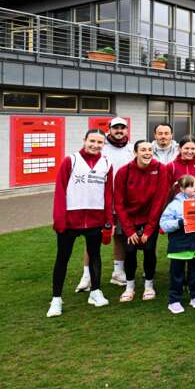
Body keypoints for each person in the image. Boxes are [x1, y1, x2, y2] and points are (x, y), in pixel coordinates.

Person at [47, 129, 114, 317]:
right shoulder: (71, 160)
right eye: (92, 141)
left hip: (95, 219)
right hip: (70, 220)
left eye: (100, 142)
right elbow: (60, 191)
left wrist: (109, 221)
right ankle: (56, 299)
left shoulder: (107, 163)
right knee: (62, 258)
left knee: (95, 256)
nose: (95, 145)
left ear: (104, 144)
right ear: (84, 140)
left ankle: (95, 291)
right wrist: (60, 220)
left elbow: (108, 194)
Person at [79, 116, 131, 291]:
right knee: (93, 238)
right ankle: (86, 276)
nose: (119, 131)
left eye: (122, 128)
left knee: (120, 237)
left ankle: (118, 272)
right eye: (115, 128)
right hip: (98, 200)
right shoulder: (101, 147)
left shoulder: (131, 149)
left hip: (122, 201)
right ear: (109, 128)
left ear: (126, 130)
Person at [114, 140, 168, 303]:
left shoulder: (160, 169)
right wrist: (129, 230)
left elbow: (159, 200)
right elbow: (119, 202)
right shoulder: (124, 171)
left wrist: (149, 229)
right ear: (135, 153)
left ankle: (149, 285)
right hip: (130, 220)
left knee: (149, 249)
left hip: (150, 219)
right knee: (129, 251)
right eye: (143, 150)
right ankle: (129, 287)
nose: (147, 153)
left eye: (150, 150)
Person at [160, 175, 195, 314]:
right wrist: (180, 222)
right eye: (190, 186)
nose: (194, 188)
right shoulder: (174, 205)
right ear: (182, 189)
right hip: (179, 247)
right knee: (177, 275)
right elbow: (164, 224)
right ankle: (174, 300)